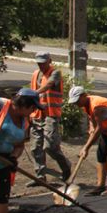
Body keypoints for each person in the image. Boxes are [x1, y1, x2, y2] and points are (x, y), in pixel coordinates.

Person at [68, 86, 107, 196]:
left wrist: (86, 147)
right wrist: (91, 131)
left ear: (84, 96)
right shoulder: (87, 104)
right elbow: (94, 123)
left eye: (77, 101)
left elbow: (99, 128)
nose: (76, 104)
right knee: (101, 154)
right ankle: (100, 186)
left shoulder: (96, 105)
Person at [27, 52, 72, 185]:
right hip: (37, 115)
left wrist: (33, 93)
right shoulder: (35, 74)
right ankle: (40, 177)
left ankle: (66, 167)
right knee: (36, 147)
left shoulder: (55, 73)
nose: (41, 65)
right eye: (39, 63)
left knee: (50, 146)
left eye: (43, 62)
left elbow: (48, 85)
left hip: (51, 115)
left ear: (49, 61)